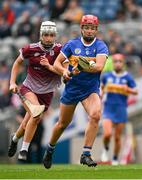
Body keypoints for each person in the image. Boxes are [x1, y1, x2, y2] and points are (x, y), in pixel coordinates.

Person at [42, 14, 109, 169]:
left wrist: (83, 65)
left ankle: (86, 154)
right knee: (62, 124)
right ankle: (50, 149)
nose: (90, 31)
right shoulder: (72, 44)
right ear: (82, 29)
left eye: (93, 28)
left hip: (90, 90)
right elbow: (58, 64)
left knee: (96, 114)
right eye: (87, 28)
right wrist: (64, 72)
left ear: (96, 30)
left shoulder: (100, 46)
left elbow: (99, 66)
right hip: (72, 89)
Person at [8, 21, 62, 161]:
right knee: (36, 114)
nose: (48, 38)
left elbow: (63, 71)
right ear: (41, 35)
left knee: (27, 123)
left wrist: (49, 66)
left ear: (55, 36)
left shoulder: (60, 50)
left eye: (51, 35)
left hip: (47, 93)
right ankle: (24, 150)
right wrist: (12, 82)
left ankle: (15, 139)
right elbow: (17, 63)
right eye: (46, 35)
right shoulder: (30, 49)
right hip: (29, 89)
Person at [100, 53, 138, 165]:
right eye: (115, 61)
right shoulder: (107, 76)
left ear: (123, 63)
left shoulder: (128, 77)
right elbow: (101, 90)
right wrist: (101, 95)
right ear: (113, 63)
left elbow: (135, 91)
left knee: (117, 137)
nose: (117, 63)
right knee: (107, 134)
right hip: (108, 108)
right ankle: (106, 149)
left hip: (121, 109)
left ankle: (115, 158)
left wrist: (127, 89)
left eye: (120, 61)